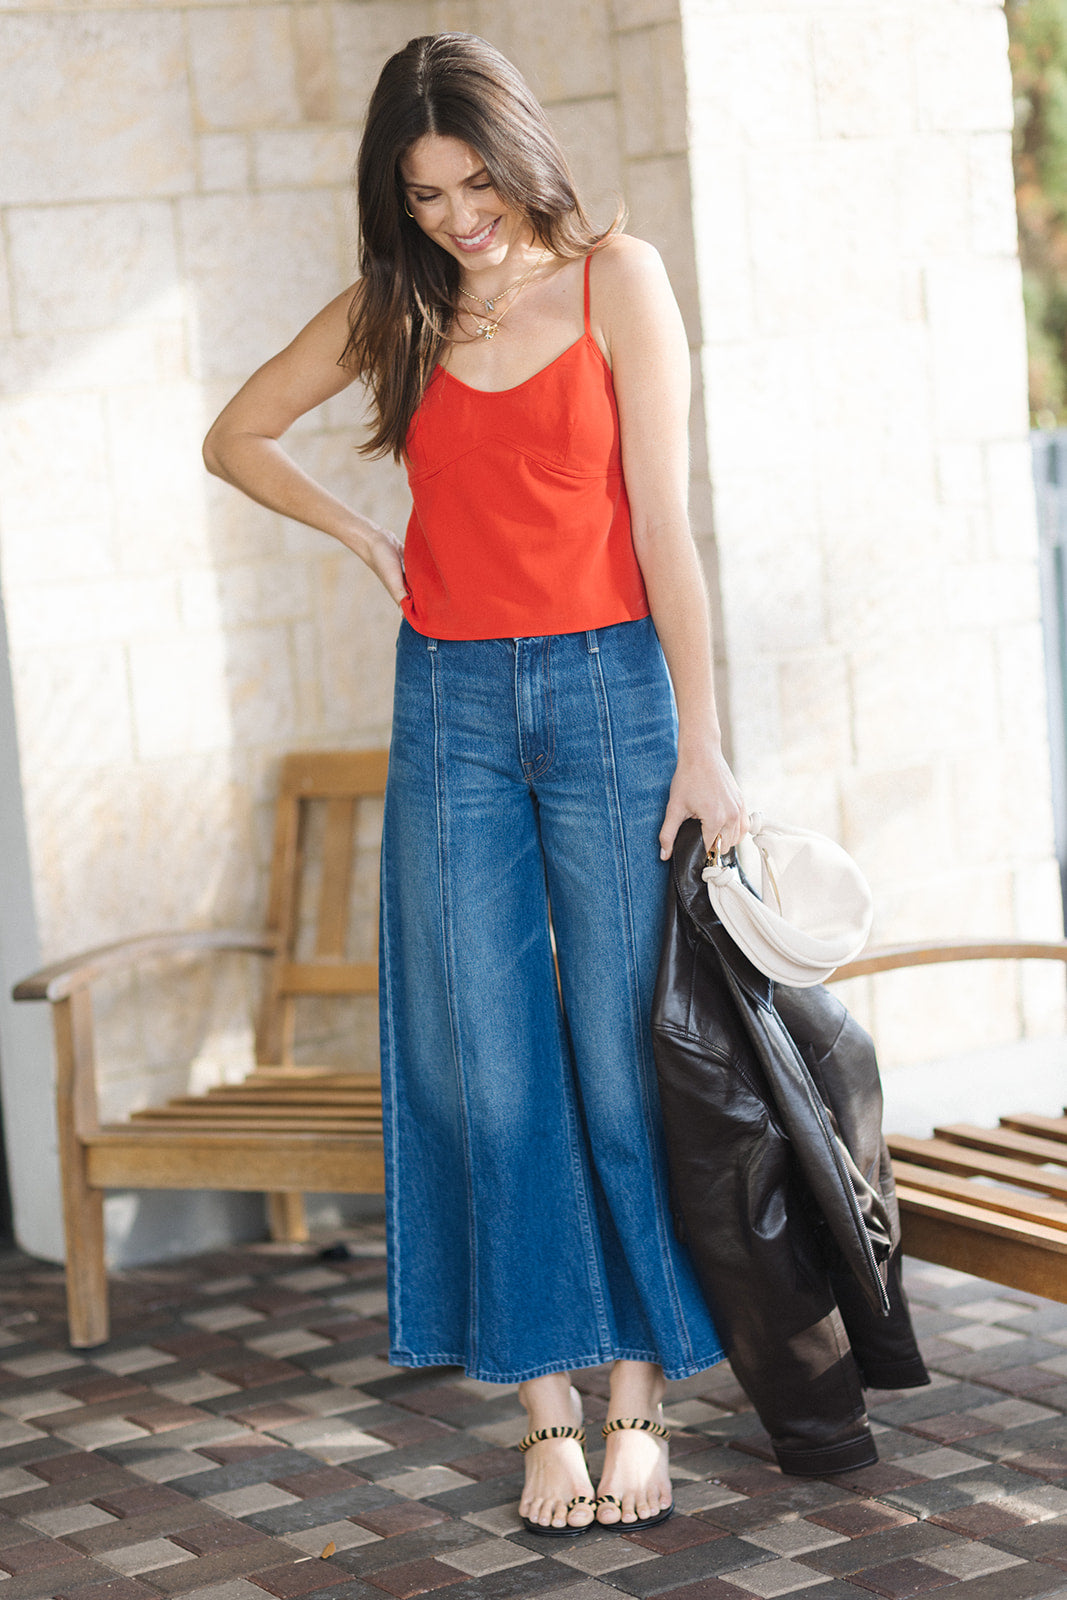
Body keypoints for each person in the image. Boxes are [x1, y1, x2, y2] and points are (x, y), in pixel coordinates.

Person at [203, 31, 746, 1537]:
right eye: (426, 195)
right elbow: (235, 435)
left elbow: (665, 527)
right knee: (484, 1059)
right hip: (449, 703)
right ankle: (545, 1410)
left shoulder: (620, 280)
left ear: (520, 153)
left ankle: (639, 1398)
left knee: (623, 1052)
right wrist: (356, 533)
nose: (458, 216)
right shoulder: (397, 306)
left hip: (611, 691)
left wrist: (706, 743)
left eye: (474, 183)